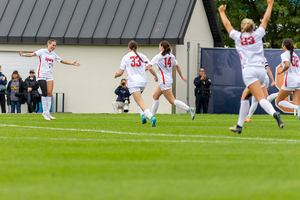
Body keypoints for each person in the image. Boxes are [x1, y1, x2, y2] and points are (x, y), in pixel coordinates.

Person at [218, 0, 284, 134]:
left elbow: (227, 25)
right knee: (245, 96)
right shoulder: (258, 34)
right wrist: (270, 4)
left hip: (249, 72)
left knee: (260, 99)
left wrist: (221, 12)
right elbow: (265, 20)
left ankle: (274, 113)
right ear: (253, 28)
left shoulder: (238, 37)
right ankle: (239, 126)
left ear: (242, 28)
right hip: (261, 72)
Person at [19, 39, 80, 120]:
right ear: (48, 44)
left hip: (49, 75)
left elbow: (61, 60)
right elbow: (33, 54)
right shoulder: (42, 51)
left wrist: (72, 63)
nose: (54, 47)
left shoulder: (53, 54)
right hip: (41, 74)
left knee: (49, 93)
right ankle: (44, 113)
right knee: (44, 92)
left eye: (55, 46)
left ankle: (48, 112)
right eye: (53, 45)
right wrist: (23, 55)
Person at [113, 40, 158, 127]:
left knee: (139, 101)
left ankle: (151, 117)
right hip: (143, 81)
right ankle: (142, 116)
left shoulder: (126, 57)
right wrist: (156, 76)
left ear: (128, 47)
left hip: (133, 82)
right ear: (137, 47)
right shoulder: (142, 55)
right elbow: (149, 67)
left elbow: (120, 73)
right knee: (138, 99)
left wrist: (115, 75)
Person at [149, 40, 195, 119]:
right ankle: (151, 116)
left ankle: (189, 109)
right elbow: (177, 67)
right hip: (167, 79)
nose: (159, 47)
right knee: (155, 96)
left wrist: (154, 75)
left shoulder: (159, 56)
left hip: (164, 81)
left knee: (172, 100)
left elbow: (149, 66)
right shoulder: (171, 56)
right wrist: (182, 76)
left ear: (162, 48)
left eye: (160, 46)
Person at [245, 57, 278, 122]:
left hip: (258, 79)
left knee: (263, 99)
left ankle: (281, 93)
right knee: (256, 100)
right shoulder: (263, 58)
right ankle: (249, 117)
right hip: (265, 78)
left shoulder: (251, 57)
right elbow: (268, 69)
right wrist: (273, 80)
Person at [275, 38, 300, 119]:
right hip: (298, 80)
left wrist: (281, 71)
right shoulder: (295, 55)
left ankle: (297, 108)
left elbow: (287, 65)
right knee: (296, 103)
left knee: (278, 101)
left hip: (290, 81)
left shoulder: (284, 54)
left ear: (284, 46)